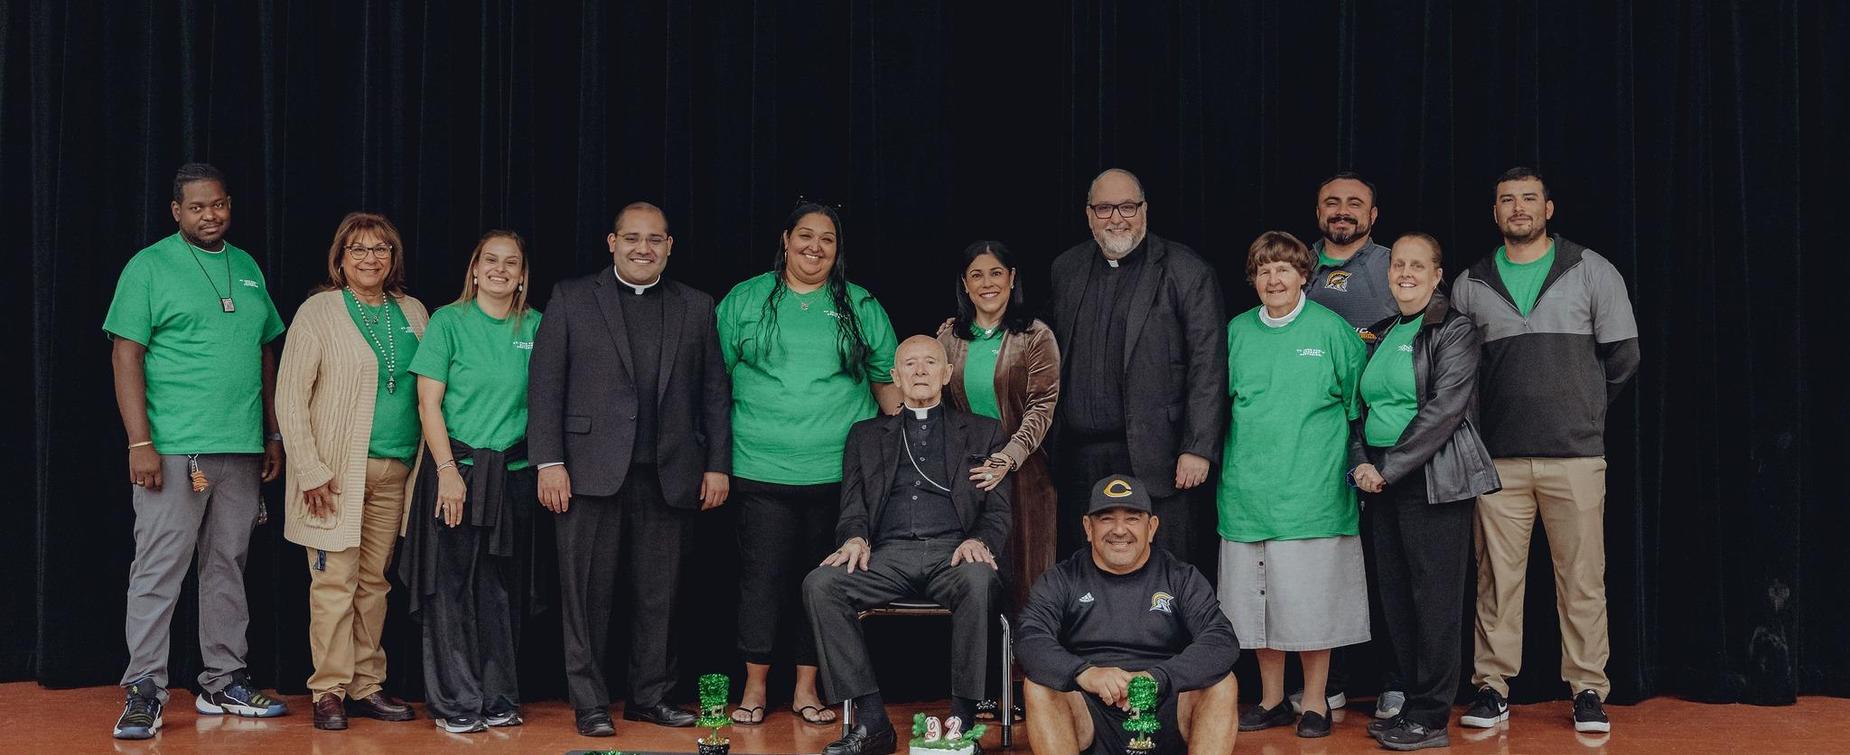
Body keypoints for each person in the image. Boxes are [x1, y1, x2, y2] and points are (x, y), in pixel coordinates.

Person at [527, 203, 732, 737]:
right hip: (586, 474)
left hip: (670, 475)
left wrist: (717, 465)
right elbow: (545, 386)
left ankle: (651, 696)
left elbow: (714, 392)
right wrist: (549, 462)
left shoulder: (696, 305)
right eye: (633, 238)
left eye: (656, 239)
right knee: (586, 596)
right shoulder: (572, 297)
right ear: (612, 241)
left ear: (670, 246)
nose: (644, 248)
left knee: (659, 596)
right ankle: (590, 703)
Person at [105, 163, 290, 740]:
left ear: (229, 204)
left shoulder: (249, 267)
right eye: (197, 207)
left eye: (219, 205)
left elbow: (265, 356)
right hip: (174, 449)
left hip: (240, 447)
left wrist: (272, 433)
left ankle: (222, 679)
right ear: (176, 212)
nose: (210, 216)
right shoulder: (148, 267)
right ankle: (145, 691)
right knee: (159, 569)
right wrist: (141, 442)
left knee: (227, 566)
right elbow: (125, 356)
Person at [1452, 167, 1639, 734]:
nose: (1518, 208)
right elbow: (1457, 373)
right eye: (1507, 200)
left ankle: (1587, 689)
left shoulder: (1590, 270)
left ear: (1549, 209)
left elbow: (1624, 357)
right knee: (1495, 580)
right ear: (1495, 213)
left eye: (1529, 198)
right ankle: (1492, 688)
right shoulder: (1471, 282)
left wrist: (1581, 409)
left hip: (1576, 459)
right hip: (1498, 461)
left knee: (1583, 578)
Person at [717, 202, 902, 727]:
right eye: (805, 236)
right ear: (785, 238)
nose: (814, 247)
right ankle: (753, 689)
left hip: (840, 477)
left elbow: (888, 384)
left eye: (827, 239)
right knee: (762, 581)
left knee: (819, 587)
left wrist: (909, 451)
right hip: (761, 469)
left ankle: (806, 689)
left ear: (838, 249)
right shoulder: (745, 300)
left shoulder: (859, 303)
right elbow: (715, 382)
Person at [803, 335, 1011, 755]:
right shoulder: (864, 436)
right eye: (910, 364)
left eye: (930, 362)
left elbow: (999, 511)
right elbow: (852, 507)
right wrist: (855, 538)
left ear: (946, 374)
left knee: (979, 580)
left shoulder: (985, 432)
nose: (919, 371)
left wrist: (979, 540)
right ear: (895, 377)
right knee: (820, 584)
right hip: (886, 556)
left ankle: (962, 722)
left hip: (953, 553)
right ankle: (874, 723)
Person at [276, 212, 427, 731]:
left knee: (373, 583)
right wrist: (312, 470)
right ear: (340, 258)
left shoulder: (413, 312)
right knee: (333, 582)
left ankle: (367, 685)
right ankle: (329, 690)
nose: (370, 258)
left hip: (394, 471)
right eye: (358, 249)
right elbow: (290, 398)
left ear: (394, 258)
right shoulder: (318, 312)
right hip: (335, 475)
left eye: (381, 249)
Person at [1350, 233, 1501, 751]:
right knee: (1397, 601)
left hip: (1433, 482)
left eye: (1418, 265)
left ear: (1438, 275)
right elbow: (1361, 410)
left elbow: (1444, 411)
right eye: (1397, 264)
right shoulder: (1386, 329)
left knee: (1434, 603)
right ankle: (1410, 705)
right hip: (1382, 483)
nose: (1405, 273)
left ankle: (1433, 716)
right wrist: (1363, 465)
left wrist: (1387, 468)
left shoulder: (1455, 329)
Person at [1218, 231, 1369, 738]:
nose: (1273, 278)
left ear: (1305, 274)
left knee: (1310, 605)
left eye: (1284, 269)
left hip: (1314, 494)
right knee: (1257, 605)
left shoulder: (1332, 330)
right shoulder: (1236, 331)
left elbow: (1357, 409)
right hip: (1247, 494)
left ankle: (1315, 703)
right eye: (1263, 270)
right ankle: (1272, 700)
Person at [401, 230, 546, 734]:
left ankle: (499, 695)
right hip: (456, 474)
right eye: (491, 260)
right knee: (450, 591)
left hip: (512, 478)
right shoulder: (449, 321)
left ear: (523, 273)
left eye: (512, 262)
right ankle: (454, 701)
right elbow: (428, 404)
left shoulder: (537, 325)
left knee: (500, 592)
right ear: (475, 268)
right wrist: (446, 473)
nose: (501, 270)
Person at [1045, 168, 1226, 568]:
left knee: (1164, 572)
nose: (1117, 218)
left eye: (1127, 207)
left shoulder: (1186, 271)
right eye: (1105, 208)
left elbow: (1207, 365)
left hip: (1157, 455)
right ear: (1089, 214)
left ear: (1144, 210)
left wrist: (1197, 447)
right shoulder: (1066, 269)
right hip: (1080, 458)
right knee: (1082, 571)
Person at [1017, 475, 1240, 755]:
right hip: (1091, 709)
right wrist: (1085, 673)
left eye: (1133, 518)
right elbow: (1030, 638)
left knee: (1222, 683)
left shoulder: (1181, 577)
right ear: (1088, 527)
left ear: (1152, 527)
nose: (1119, 530)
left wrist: (1159, 678)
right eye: (1106, 518)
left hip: (1166, 705)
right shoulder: (1061, 579)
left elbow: (1221, 640)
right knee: (1039, 685)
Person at [1303, 171, 1404, 721]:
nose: (1342, 211)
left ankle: (1394, 680)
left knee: (1385, 563)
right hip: (1317, 442)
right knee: (1327, 563)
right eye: (1332, 203)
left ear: (1373, 214)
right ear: (1318, 211)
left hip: (1383, 437)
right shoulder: (1298, 266)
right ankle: (1332, 680)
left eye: (1355, 204)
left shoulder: (1395, 265)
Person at [933, 241, 1060, 614]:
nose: (987, 283)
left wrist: (1006, 458)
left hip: (1024, 474)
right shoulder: (948, 339)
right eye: (976, 275)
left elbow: (1042, 406)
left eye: (995, 273)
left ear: (1012, 278)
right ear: (965, 283)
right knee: (975, 575)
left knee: (1027, 577)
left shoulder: (1035, 335)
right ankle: (980, 669)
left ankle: (1026, 670)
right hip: (967, 476)